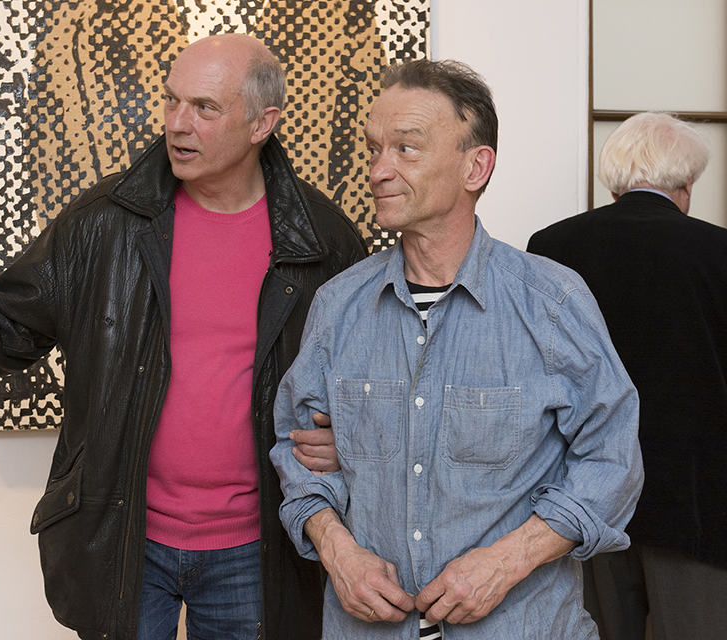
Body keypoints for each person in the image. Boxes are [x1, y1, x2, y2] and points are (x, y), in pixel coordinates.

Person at [0, 34, 366, 640]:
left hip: (258, 550)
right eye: (171, 100)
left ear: (262, 123)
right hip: (123, 540)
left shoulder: (324, 241)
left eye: (204, 107)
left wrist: (350, 438)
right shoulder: (102, 223)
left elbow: (379, 380)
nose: (177, 123)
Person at [270, 58, 644, 639]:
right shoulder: (337, 306)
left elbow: (613, 461)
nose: (379, 170)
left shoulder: (553, 303)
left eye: (407, 149)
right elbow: (296, 453)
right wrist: (337, 549)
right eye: (374, 149)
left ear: (476, 166)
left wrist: (508, 561)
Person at [527, 111, 727, 640]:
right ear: (686, 184)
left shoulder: (551, 248)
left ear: (613, 180)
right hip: (698, 504)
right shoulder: (720, 251)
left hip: (584, 498)